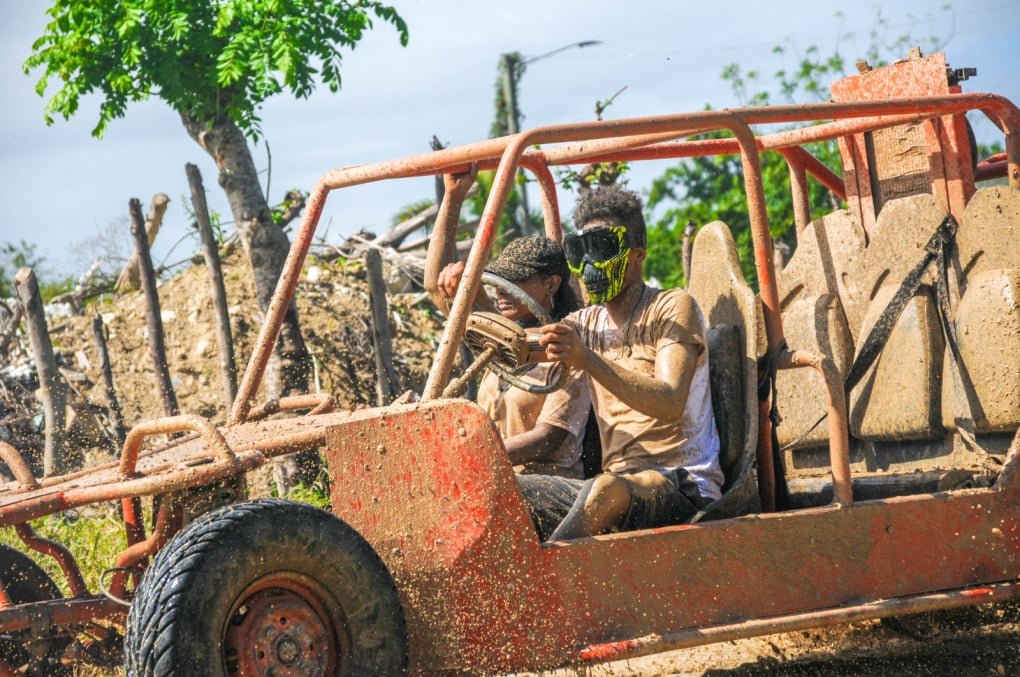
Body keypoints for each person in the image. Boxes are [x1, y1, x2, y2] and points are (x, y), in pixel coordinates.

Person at [518, 185, 724, 540]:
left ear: (637, 254)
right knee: (510, 490)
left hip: (684, 483)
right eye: (581, 251)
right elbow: (516, 347)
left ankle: (547, 585)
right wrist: (474, 307)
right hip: (617, 486)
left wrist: (587, 359)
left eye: (603, 248)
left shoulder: (673, 307)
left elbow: (670, 402)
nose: (591, 263)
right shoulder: (583, 324)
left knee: (603, 491)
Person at [425, 174, 592, 479]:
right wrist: (453, 198)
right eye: (499, 281)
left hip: (548, 486)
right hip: (493, 478)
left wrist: (472, 452)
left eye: (515, 281)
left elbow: (549, 438)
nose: (501, 290)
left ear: (551, 284)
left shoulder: (569, 347)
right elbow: (437, 287)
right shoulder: (500, 336)